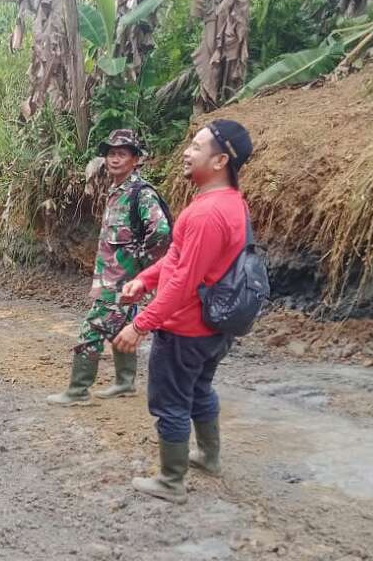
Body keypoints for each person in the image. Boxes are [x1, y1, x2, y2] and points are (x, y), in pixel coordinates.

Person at [113, 119, 255, 504]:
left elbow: (184, 281)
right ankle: (208, 456)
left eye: (197, 146)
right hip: (213, 327)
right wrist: (144, 279)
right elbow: (178, 259)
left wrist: (140, 325)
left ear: (220, 159)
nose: (188, 152)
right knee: (199, 389)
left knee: (171, 402)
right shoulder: (226, 204)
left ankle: (171, 481)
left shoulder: (207, 214)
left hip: (187, 330)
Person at [46, 130, 171, 406]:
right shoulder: (116, 190)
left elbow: (161, 231)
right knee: (120, 328)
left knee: (91, 330)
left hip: (121, 282)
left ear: (135, 159)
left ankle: (78, 391)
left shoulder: (141, 193)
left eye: (122, 154)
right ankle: (125, 383)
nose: (114, 159)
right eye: (111, 154)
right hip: (113, 279)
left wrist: (139, 261)